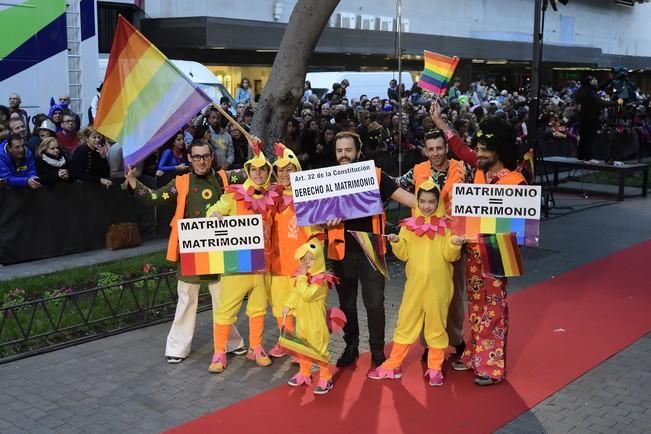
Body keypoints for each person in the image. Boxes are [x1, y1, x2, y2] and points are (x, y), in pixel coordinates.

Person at [126, 139, 246, 364]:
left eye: (206, 156)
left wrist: (257, 149)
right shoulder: (180, 182)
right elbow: (154, 198)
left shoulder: (224, 177)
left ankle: (230, 342)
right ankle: (177, 348)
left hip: (220, 249)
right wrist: (133, 180)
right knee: (187, 300)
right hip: (190, 251)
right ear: (189, 158)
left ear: (212, 157)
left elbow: (253, 172)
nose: (202, 161)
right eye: (197, 157)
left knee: (223, 300)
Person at [441, 106, 526, 386]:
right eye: (477, 148)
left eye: (483, 150)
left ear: (498, 150)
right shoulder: (479, 174)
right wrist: (442, 124)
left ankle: (491, 367)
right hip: (473, 253)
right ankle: (475, 354)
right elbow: (461, 149)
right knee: (476, 306)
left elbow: (516, 229)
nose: (477, 154)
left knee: (494, 308)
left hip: (498, 253)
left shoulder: (516, 181)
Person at [326, 131, 416, 368]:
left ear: (358, 151)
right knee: (346, 304)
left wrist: (436, 204)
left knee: (375, 303)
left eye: (348, 150)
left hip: (372, 251)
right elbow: (312, 216)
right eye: (339, 151)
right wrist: (326, 221)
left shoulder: (376, 176)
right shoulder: (327, 180)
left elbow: (411, 201)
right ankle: (351, 346)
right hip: (341, 251)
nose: (343, 155)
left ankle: (377, 351)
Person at [368, 179, 463, 386]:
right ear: (417, 201)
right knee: (405, 322)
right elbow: (404, 254)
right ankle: (393, 364)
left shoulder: (447, 226)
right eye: (422, 201)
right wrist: (397, 242)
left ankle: (435, 367)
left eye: (431, 201)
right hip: (415, 287)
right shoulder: (409, 227)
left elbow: (450, 256)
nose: (427, 206)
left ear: (437, 202)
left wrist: (454, 244)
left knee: (437, 325)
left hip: (439, 287)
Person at [398, 125, 475, 363]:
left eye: (439, 148)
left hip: (454, 241)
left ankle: (456, 339)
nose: (435, 153)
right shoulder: (418, 170)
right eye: (430, 149)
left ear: (446, 148)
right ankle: (429, 344)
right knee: (424, 295)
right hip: (423, 242)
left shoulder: (463, 169)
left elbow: (481, 194)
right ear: (425, 150)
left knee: (454, 294)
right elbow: (394, 186)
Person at [206, 137, 278, 373]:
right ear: (248, 171)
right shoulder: (234, 194)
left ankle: (255, 348)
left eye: (262, 170)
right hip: (237, 260)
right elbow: (216, 208)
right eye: (254, 170)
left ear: (268, 172)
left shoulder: (272, 197)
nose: (258, 174)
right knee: (227, 308)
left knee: (258, 307)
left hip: (262, 262)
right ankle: (219, 353)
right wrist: (215, 214)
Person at [267, 142, 319, 358]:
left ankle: (302, 347)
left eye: (290, 168)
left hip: (300, 266)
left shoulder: (308, 197)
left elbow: (316, 233)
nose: (285, 173)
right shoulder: (271, 197)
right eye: (281, 169)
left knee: (301, 307)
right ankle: (286, 342)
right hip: (277, 264)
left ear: (298, 170)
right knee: (280, 307)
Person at [284, 239, 338, 395]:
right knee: (303, 347)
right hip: (302, 321)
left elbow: (307, 294)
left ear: (319, 259)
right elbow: (296, 293)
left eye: (311, 258)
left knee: (319, 350)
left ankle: (325, 378)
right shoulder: (303, 276)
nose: (307, 262)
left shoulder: (321, 281)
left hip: (316, 324)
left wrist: (301, 277)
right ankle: (304, 372)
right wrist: (289, 304)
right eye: (304, 258)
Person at [575, 75, 602, 162]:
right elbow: (600, 102)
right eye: (594, 80)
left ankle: (580, 156)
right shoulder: (589, 92)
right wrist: (616, 102)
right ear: (590, 82)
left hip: (583, 117)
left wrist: (609, 80)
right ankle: (588, 157)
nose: (596, 81)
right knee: (589, 138)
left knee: (583, 137)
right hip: (590, 117)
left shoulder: (582, 90)